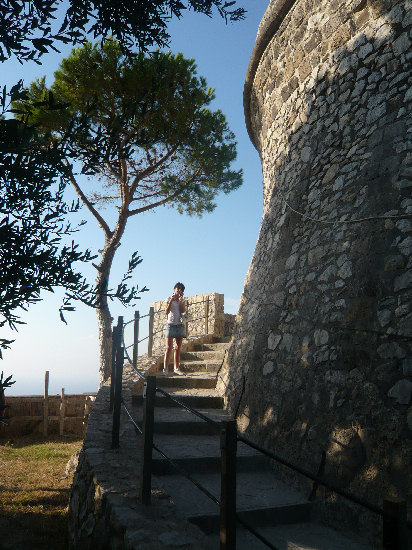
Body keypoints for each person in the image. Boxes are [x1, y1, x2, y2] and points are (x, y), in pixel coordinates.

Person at [163, 282, 186, 375]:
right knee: (168, 348)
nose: (179, 290)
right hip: (170, 325)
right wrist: (171, 300)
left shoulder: (182, 299)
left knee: (177, 348)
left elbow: (183, 310)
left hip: (179, 325)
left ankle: (176, 368)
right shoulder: (168, 298)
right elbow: (166, 311)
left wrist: (181, 301)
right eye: (178, 288)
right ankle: (165, 369)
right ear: (174, 289)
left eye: (181, 289)